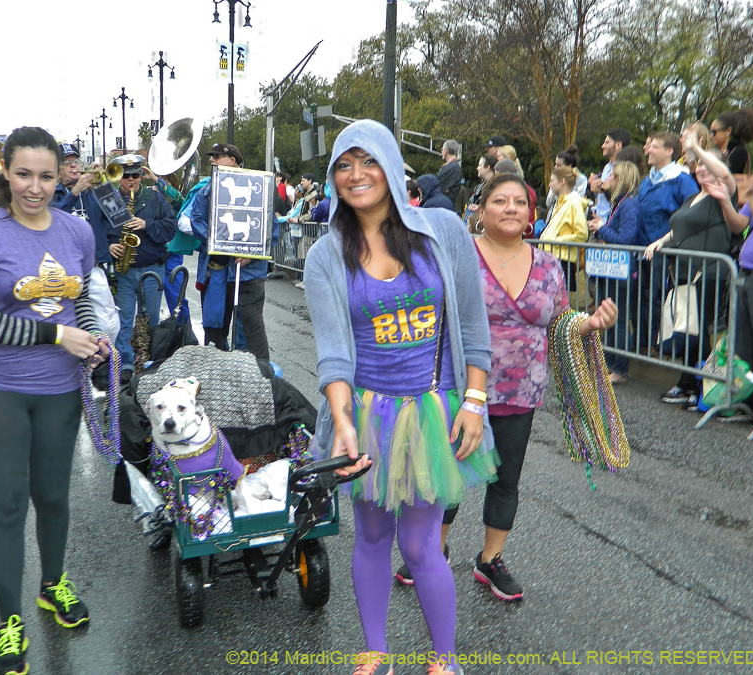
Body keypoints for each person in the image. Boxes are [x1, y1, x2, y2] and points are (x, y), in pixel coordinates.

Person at [305, 119, 498, 675]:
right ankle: (376, 654)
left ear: (390, 164)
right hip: (366, 412)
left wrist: (475, 401)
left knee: (419, 547)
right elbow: (334, 353)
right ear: (332, 176)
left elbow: (472, 324)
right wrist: (343, 421)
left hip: (432, 409)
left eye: (368, 161)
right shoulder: (325, 256)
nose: (356, 174)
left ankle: (445, 660)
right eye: (344, 164)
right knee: (369, 536)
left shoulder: (442, 231)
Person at [398, 173, 617, 601]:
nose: (511, 208)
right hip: (461, 388)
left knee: (505, 479)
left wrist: (589, 324)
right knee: (448, 475)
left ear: (531, 214)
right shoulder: (458, 256)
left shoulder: (549, 265)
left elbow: (559, 323)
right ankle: (432, 550)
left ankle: (490, 559)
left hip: (521, 392)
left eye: (520, 201)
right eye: (500, 200)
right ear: (480, 211)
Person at [0, 126, 109, 675]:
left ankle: (52, 584)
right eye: (23, 174)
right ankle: (9, 621)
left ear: (59, 174)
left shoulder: (77, 231)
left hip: (59, 390)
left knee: (54, 497)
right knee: (7, 506)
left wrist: (90, 336)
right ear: (6, 172)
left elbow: (78, 300)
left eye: (45, 176)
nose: (35, 188)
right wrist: (57, 336)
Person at [644, 136, 736, 407]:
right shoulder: (693, 197)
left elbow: (725, 175)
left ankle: (699, 386)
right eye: (700, 165)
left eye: (708, 165)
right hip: (684, 273)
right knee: (687, 331)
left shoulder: (722, 195)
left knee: (697, 332)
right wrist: (660, 241)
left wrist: (696, 148)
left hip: (708, 274)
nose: (702, 169)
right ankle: (691, 384)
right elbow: (679, 228)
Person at [88, 154, 176, 382]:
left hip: (152, 269)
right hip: (123, 271)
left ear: (140, 176)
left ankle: (149, 361)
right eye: (126, 176)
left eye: (135, 175)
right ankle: (126, 364)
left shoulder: (154, 198)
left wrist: (147, 224)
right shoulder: (109, 200)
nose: (131, 180)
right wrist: (108, 247)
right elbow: (96, 229)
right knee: (124, 320)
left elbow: (171, 227)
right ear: (119, 178)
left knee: (150, 318)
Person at [186, 143, 275, 362]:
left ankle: (259, 375)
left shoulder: (258, 184)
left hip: (249, 274)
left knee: (250, 332)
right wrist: (218, 242)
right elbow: (196, 219)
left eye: (217, 157)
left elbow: (271, 228)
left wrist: (251, 253)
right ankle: (217, 373)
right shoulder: (207, 189)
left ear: (233, 160)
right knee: (214, 330)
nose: (212, 160)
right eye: (212, 157)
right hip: (217, 272)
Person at [633, 132, 699, 348]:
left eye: (654, 146)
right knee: (642, 297)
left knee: (658, 297)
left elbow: (692, 214)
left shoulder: (682, 180)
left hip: (664, 252)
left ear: (669, 151)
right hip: (642, 250)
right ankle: (643, 341)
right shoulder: (648, 180)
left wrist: (667, 241)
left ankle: (658, 343)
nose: (648, 150)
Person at [712, 170, 753, 423]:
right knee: (743, 345)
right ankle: (748, 404)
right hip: (746, 275)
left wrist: (751, 197)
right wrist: (725, 200)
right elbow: (739, 224)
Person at [588, 160, 640, 383]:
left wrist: (602, 229)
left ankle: (619, 369)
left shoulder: (629, 205)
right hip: (609, 269)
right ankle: (608, 364)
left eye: (610, 176)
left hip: (621, 271)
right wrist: (601, 227)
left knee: (618, 320)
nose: (606, 179)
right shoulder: (619, 204)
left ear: (619, 179)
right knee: (606, 317)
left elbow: (624, 239)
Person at [539, 166, 590, 293]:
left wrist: (556, 241)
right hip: (552, 256)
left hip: (562, 259)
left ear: (562, 181)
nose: (549, 184)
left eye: (552, 181)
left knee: (558, 300)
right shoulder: (560, 202)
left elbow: (582, 234)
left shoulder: (574, 203)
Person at [589, 129, 631, 221]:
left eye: (607, 142)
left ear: (618, 145)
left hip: (610, 223)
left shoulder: (625, 170)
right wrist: (595, 187)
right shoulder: (607, 167)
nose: (603, 146)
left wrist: (604, 189)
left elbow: (621, 199)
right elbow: (602, 197)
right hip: (599, 221)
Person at [51, 143, 95, 218]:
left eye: (76, 161)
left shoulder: (91, 190)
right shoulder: (53, 193)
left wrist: (104, 188)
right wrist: (74, 193)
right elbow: (54, 217)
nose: (73, 165)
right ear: (58, 171)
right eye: (67, 163)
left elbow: (114, 214)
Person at [545, 145, 588, 215]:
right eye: (555, 164)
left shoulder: (581, 179)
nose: (555, 167)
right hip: (555, 215)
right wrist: (554, 192)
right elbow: (548, 202)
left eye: (558, 165)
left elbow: (577, 201)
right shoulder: (555, 177)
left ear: (569, 166)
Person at [436, 139, 462, 205]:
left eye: (442, 149)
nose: (441, 152)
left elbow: (439, 187)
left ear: (446, 151)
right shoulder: (453, 166)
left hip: (444, 204)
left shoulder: (452, 168)